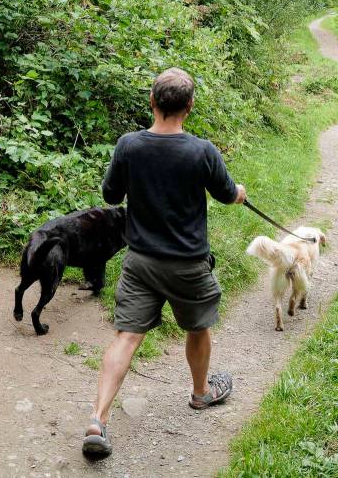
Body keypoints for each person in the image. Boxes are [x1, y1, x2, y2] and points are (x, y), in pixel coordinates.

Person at [82, 67, 247, 458]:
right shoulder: (203, 151)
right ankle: (201, 393)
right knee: (198, 327)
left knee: (127, 337)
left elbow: (110, 195)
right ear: (188, 107)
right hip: (189, 264)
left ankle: (97, 420)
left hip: (140, 261)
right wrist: (239, 192)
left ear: (152, 102)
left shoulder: (129, 146)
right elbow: (227, 195)